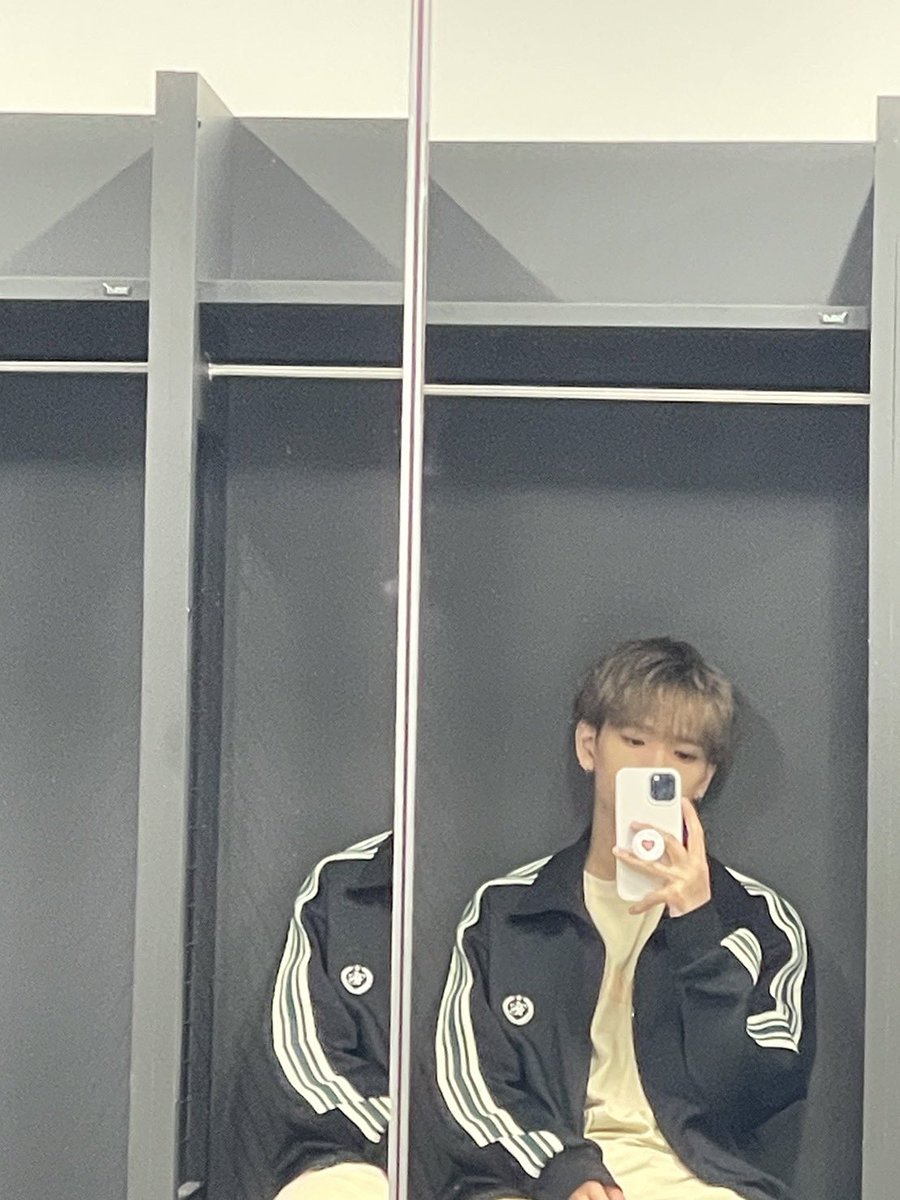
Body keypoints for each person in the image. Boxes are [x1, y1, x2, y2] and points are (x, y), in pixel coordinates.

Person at [432, 637, 815, 1200]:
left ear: (704, 779)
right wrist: (562, 1170)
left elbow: (753, 1093)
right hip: (538, 1180)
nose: (655, 767)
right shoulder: (508, 911)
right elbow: (466, 1081)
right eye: (635, 741)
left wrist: (697, 929)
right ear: (589, 746)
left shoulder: (760, 922)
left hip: (699, 1184)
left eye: (683, 755)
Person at [233, 830, 393, 1200]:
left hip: (491, 1170)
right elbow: (302, 1053)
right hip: (356, 1153)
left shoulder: (502, 903)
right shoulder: (342, 885)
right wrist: (395, 1149)